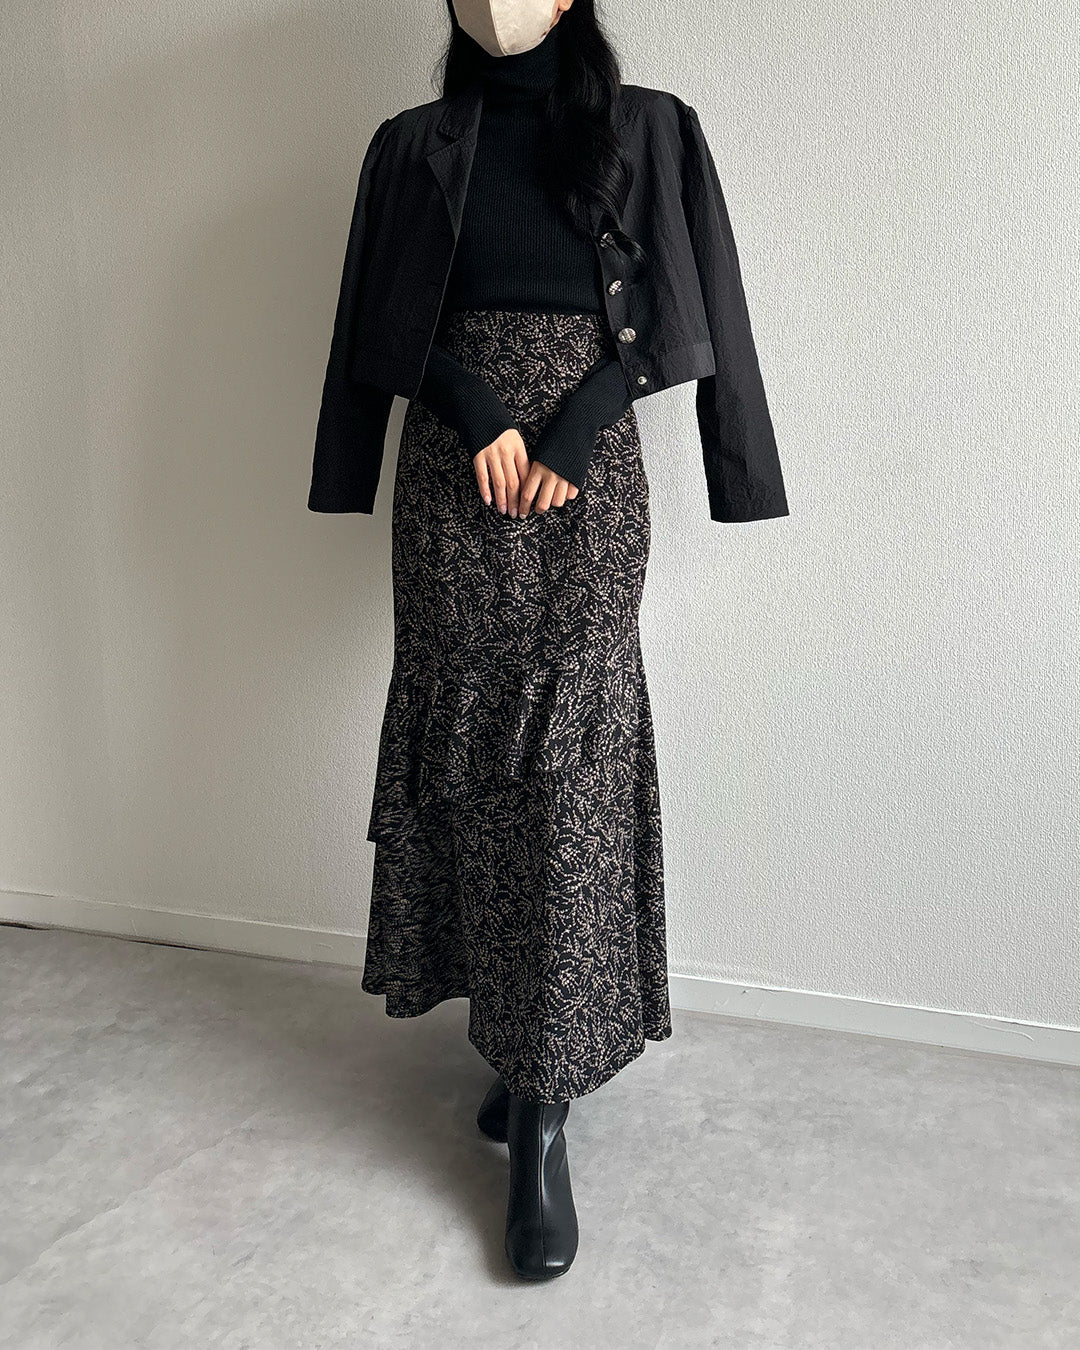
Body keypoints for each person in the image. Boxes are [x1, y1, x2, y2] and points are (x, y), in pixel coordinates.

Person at [309, 0, 789, 1280]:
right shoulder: (411, 144)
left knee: (569, 775)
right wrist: (473, 410)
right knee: (470, 768)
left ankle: (543, 1106)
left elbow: (694, 306)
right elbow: (378, 323)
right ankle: (516, 1045)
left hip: (588, 481)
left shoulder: (652, 129)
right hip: (452, 482)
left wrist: (575, 428)